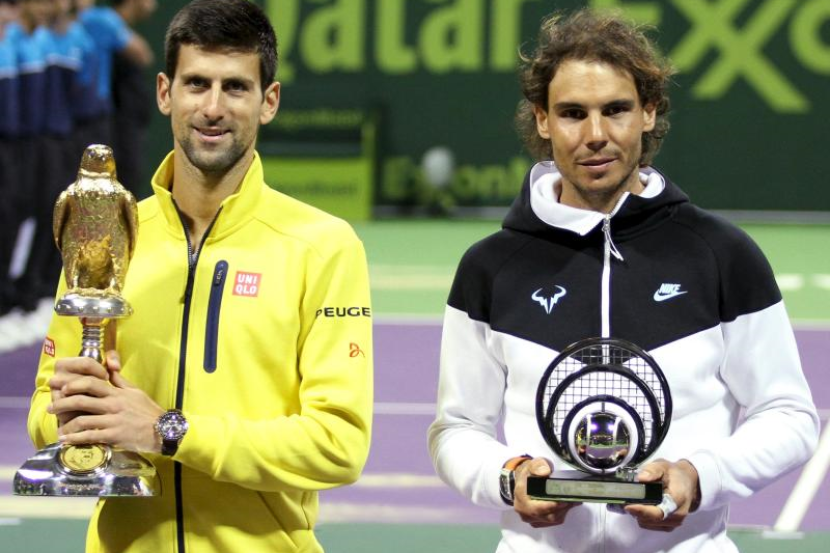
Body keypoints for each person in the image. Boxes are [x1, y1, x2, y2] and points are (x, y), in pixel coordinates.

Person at [428, 9, 819, 553]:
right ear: (542, 120)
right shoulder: (490, 267)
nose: (595, 135)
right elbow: (456, 428)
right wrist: (508, 476)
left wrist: (699, 476)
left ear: (649, 113)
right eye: (572, 113)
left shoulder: (722, 255)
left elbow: (789, 416)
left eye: (616, 110)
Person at [26, 1, 373, 552]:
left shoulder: (322, 246)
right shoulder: (107, 238)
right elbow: (43, 415)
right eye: (196, 84)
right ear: (165, 92)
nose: (212, 108)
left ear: (268, 101)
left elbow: (338, 445)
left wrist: (169, 431)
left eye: (235, 87)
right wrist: (74, 416)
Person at [110, 0, 157, 196]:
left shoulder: (119, 27)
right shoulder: (105, 21)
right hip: (117, 129)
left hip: (131, 127)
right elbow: (145, 55)